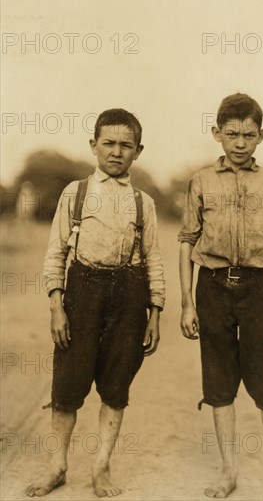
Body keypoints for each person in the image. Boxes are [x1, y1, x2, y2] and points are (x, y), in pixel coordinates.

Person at [26, 108, 165, 498]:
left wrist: (155, 312)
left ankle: (101, 467)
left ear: (138, 150)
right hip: (81, 293)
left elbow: (153, 259)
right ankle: (57, 466)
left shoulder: (144, 203)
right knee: (67, 386)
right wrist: (57, 306)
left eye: (126, 145)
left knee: (116, 386)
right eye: (109, 143)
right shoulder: (76, 193)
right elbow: (55, 252)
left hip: (130, 295)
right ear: (93, 146)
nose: (117, 152)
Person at [179, 93, 263, 499]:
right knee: (219, 383)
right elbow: (186, 242)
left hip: (260, 289)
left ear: (261, 135)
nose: (240, 143)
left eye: (249, 134)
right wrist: (186, 302)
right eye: (231, 134)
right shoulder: (201, 181)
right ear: (217, 134)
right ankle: (228, 471)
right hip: (211, 288)